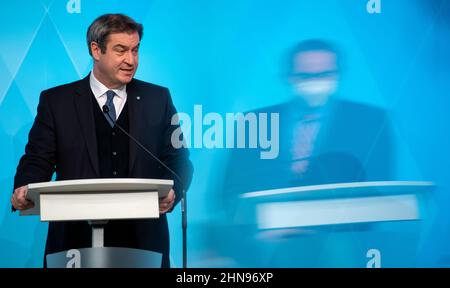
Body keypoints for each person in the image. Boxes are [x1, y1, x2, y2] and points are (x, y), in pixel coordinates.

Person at [10, 13, 193, 268]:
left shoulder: (158, 99)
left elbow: (179, 159)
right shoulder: (57, 101)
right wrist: (24, 186)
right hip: (74, 241)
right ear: (96, 50)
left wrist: (173, 189)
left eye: (135, 50)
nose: (131, 60)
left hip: (144, 242)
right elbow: (37, 158)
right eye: (121, 51)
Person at [216, 39, 394, 267]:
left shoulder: (370, 121)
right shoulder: (254, 123)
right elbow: (231, 190)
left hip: (343, 247)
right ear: (289, 77)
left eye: (325, 74)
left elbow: (378, 188)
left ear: (338, 74)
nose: (315, 82)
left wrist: (321, 226)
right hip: (268, 248)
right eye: (306, 76)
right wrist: (259, 228)